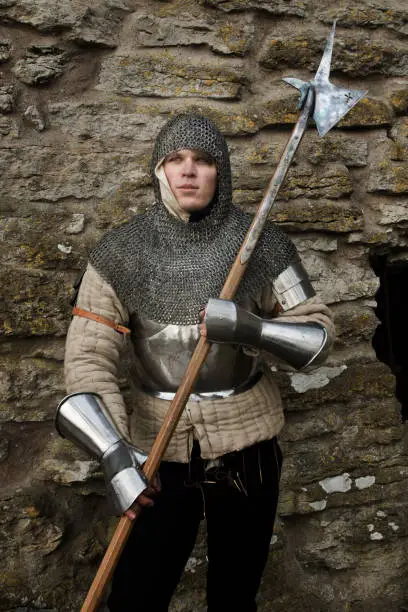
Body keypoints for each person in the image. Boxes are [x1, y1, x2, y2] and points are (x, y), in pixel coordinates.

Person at [63, 113, 335, 611]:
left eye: (204, 160)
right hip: (153, 449)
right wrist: (114, 455)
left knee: (234, 597)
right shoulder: (121, 253)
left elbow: (317, 336)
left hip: (247, 442)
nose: (189, 171)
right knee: (137, 596)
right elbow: (89, 358)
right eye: (176, 160)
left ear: (221, 172)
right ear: (159, 171)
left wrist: (250, 328)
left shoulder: (262, 244)